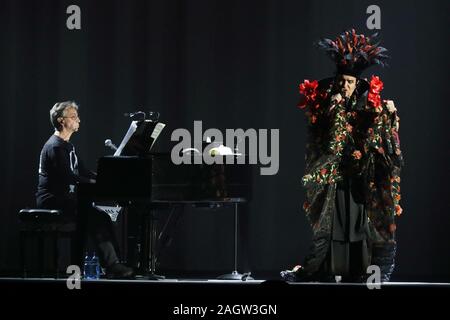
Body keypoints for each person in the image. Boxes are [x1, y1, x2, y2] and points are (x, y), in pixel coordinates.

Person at [281, 29, 403, 282]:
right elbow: (327, 141)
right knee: (332, 222)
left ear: (357, 84)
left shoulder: (366, 106)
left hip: (359, 175)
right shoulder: (328, 105)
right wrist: (335, 108)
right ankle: (323, 269)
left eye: (350, 82)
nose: (345, 86)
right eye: (343, 81)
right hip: (333, 175)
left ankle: (363, 270)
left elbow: (378, 134)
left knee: (360, 222)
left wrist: (389, 114)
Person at [36, 101, 134, 279]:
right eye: (74, 117)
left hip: (67, 198)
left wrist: (102, 179)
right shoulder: (55, 146)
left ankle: (115, 264)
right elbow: (68, 177)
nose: (78, 120)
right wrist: (93, 182)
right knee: (95, 217)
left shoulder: (67, 146)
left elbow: (82, 171)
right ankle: (112, 265)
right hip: (52, 199)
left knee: (101, 216)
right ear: (61, 121)